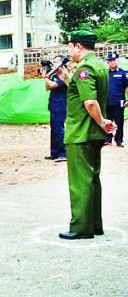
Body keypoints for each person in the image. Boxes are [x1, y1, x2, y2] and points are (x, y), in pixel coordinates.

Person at [59, 30, 116, 240]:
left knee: (80, 181)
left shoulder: (85, 68)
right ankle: (94, 224)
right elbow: (82, 91)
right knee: (92, 179)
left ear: (78, 46)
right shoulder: (98, 65)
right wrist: (67, 78)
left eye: (70, 46)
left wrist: (102, 121)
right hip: (93, 133)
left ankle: (81, 227)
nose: (69, 51)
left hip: (80, 132)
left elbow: (90, 102)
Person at [42, 57, 70, 161]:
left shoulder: (64, 74)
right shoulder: (54, 74)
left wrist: (45, 77)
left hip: (61, 105)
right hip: (53, 104)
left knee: (59, 129)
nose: (54, 64)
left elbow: (53, 85)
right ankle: (54, 153)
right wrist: (47, 76)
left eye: (56, 62)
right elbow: (47, 88)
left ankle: (63, 153)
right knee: (54, 129)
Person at [104, 52, 127, 147]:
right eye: (110, 61)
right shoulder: (105, 74)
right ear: (107, 62)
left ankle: (119, 140)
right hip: (107, 102)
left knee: (119, 122)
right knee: (107, 121)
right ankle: (108, 139)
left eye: (113, 60)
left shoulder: (123, 73)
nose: (112, 62)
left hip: (119, 102)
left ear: (117, 60)